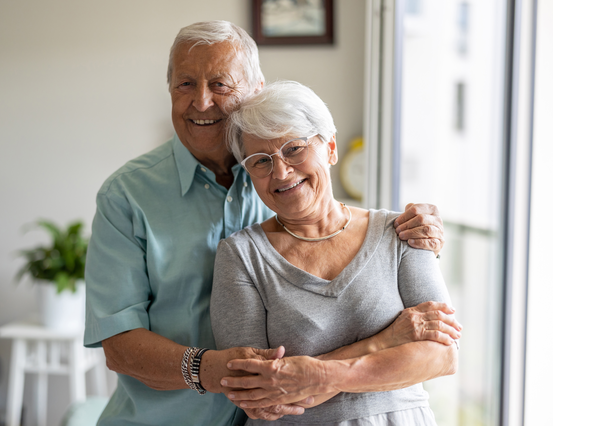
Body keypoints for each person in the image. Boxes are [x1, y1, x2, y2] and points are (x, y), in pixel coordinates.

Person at [83, 21, 458, 426]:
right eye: (185, 85)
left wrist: (420, 241)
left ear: (255, 90)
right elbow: (120, 346)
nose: (202, 102)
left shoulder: (292, 185)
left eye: (220, 84)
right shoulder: (126, 196)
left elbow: (440, 348)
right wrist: (384, 343)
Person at [210, 80, 458, 425]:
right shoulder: (241, 256)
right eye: (260, 161)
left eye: (294, 149)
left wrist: (323, 376)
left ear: (330, 148)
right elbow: (260, 394)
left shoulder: (401, 231)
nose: (280, 171)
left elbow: (443, 355)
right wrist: (388, 341)